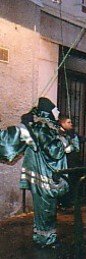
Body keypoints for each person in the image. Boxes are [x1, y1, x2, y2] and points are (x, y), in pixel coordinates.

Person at [0, 98, 79, 247]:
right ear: (48, 111)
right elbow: (54, 151)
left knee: (43, 208)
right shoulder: (43, 128)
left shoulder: (39, 126)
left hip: (41, 175)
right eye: (55, 110)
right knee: (46, 209)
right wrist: (66, 142)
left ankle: (41, 236)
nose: (57, 113)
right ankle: (46, 240)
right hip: (45, 177)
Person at [57, 114, 81, 208]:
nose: (71, 124)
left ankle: (68, 201)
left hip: (72, 161)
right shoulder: (57, 134)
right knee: (64, 182)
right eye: (68, 122)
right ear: (62, 123)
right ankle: (62, 202)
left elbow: (77, 148)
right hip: (63, 162)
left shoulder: (71, 134)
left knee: (72, 181)